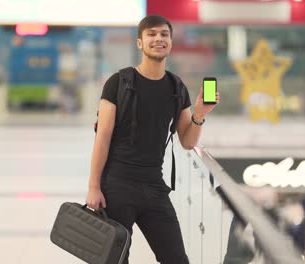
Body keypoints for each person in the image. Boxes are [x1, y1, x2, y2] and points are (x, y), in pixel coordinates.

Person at [86, 15, 219, 264]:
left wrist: (199, 115)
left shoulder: (176, 87)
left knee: (176, 258)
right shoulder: (119, 83)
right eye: (152, 34)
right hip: (117, 185)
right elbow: (102, 139)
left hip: (154, 186)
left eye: (164, 34)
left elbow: (187, 141)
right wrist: (94, 186)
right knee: (115, 259)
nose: (158, 39)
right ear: (140, 42)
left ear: (170, 42)